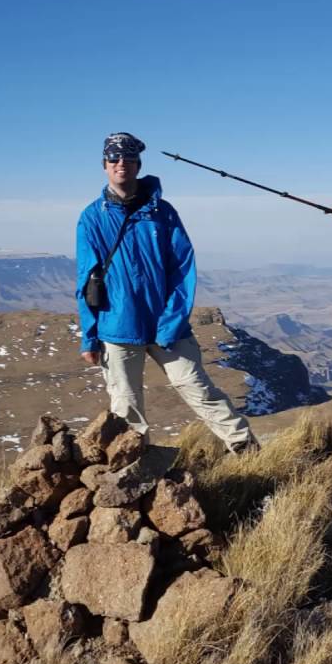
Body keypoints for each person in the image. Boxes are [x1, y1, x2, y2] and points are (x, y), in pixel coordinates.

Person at [76, 132, 260, 454]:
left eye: (129, 158)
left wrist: (171, 322)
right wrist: (89, 338)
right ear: (104, 165)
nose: (121, 164)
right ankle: (135, 468)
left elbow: (182, 269)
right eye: (114, 158)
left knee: (199, 389)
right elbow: (86, 279)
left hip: (167, 325)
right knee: (126, 406)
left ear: (138, 165)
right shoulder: (92, 218)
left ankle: (246, 450)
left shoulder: (163, 212)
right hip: (117, 325)